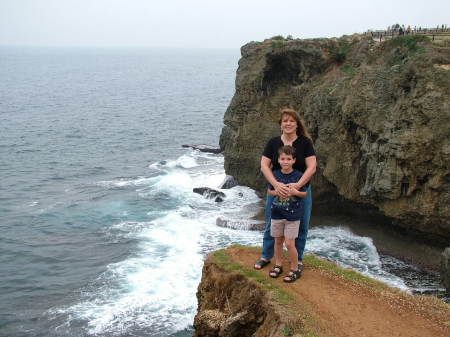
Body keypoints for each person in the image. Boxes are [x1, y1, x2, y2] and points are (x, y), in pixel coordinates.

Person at [254, 108, 316, 277]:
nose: (288, 124)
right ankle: (267, 256)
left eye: (291, 121)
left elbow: (312, 167)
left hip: (300, 190)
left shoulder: (305, 143)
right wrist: (276, 184)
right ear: (280, 125)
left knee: (301, 224)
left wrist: (297, 186)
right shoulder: (273, 142)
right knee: (271, 223)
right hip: (277, 190)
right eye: (284, 121)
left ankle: (298, 260)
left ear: (297, 124)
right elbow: (264, 165)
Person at [267, 146, 307, 283]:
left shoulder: (299, 176)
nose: (285, 162)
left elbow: (304, 193)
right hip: (277, 213)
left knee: (290, 244)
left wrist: (295, 192)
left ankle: (295, 268)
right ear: (278, 160)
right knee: (278, 241)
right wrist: (276, 191)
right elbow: (270, 191)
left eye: (288, 159)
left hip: (293, 216)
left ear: (294, 160)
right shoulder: (275, 175)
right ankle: (278, 265)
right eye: (283, 159)